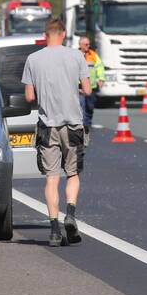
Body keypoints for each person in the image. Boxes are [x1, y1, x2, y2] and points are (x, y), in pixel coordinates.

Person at [22, 18, 91, 247]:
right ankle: (70, 214)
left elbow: (29, 96)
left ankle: (53, 231)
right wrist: (73, 87)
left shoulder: (33, 59)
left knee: (52, 178)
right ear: (62, 34)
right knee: (72, 173)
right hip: (72, 125)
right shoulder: (76, 56)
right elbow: (88, 89)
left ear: (46, 35)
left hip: (47, 125)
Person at [78, 36, 105, 134]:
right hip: (79, 87)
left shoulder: (93, 55)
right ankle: (82, 126)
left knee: (90, 107)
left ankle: (87, 124)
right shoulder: (75, 55)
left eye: (89, 44)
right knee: (81, 106)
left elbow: (99, 67)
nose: (88, 46)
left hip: (91, 87)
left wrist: (101, 79)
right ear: (80, 45)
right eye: (86, 44)